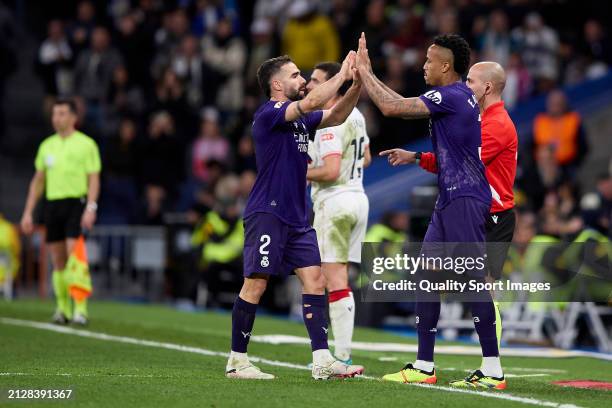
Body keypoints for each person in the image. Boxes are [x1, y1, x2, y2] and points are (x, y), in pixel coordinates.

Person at [356, 33, 504, 389]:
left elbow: (393, 107)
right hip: (450, 197)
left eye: (428, 61)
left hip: (465, 198)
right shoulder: (459, 99)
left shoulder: (451, 94)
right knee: (427, 275)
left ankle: (493, 370)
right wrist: (416, 157)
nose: (423, 66)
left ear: (445, 66)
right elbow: (456, 153)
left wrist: (365, 73)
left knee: (471, 279)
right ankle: (424, 365)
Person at [225, 53, 364, 380]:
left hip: (298, 218)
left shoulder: (301, 119)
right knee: (255, 284)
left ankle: (322, 360)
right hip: (268, 213)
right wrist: (342, 73)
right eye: (295, 75)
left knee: (315, 281)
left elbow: (336, 115)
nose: (302, 81)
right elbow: (315, 99)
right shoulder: (269, 114)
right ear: (277, 84)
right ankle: (237, 361)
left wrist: (357, 84)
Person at [305, 61, 372, 364]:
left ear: (335, 84)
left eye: (317, 80)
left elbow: (330, 170)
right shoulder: (356, 114)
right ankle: (339, 352)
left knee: (334, 280)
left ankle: (341, 356)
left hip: (335, 201)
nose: (309, 84)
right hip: (358, 197)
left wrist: (300, 172)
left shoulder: (330, 120)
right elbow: (366, 157)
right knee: (333, 277)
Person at [20, 98, 101, 326]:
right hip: (52, 204)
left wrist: (91, 207)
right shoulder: (47, 146)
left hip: (76, 202)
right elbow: (38, 181)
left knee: (75, 255)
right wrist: (28, 211)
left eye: (63, 114)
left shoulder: (86, 145)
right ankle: (63, 308)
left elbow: (93, 179)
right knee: (57, 259)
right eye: (55, 114)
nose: (57, 118)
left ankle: (81, 309)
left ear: (74, 117)